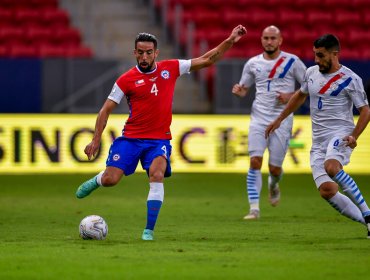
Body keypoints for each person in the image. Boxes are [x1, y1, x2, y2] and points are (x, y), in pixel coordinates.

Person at [75, 25, 247, 241]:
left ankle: (149, 230)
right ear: (134, 53)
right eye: (140, 52)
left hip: (158, 140)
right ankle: (98, 180)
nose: (144, 56)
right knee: (111, 180)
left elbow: (207, 60)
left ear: (156, 53)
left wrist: (230, 39)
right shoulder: (126, 79)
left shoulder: (171, 68)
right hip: (131, 138)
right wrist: (95, 140)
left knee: (157, 174)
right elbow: (105, 110)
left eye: (149, 52)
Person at [265, 34, 370, 238]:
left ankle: (367, 214)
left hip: (341, 135)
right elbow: (300, 95)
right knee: (327, 191)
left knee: (331, 167)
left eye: (321, 56)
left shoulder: (350, 79)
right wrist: (279, 119)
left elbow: (365, 110)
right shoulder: (311, 73)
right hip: (319, 142)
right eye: (315, 55)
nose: (316, 60)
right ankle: (365, 221)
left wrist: (354, 136)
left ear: (334, 54)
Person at [231, 25, 306, 220]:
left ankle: (273, 185)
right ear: (261, 40)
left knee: (275, 168)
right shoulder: (253, 63)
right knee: (255, 161)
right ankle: (254, 209)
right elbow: (244, 89)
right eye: (266, 38)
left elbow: (309, 87)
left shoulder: (293, 62)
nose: (269, 41)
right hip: (259, 118)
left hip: (282, 120)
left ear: (280, 40)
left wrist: (290, 95)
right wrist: (239, 92)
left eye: (273, 38)